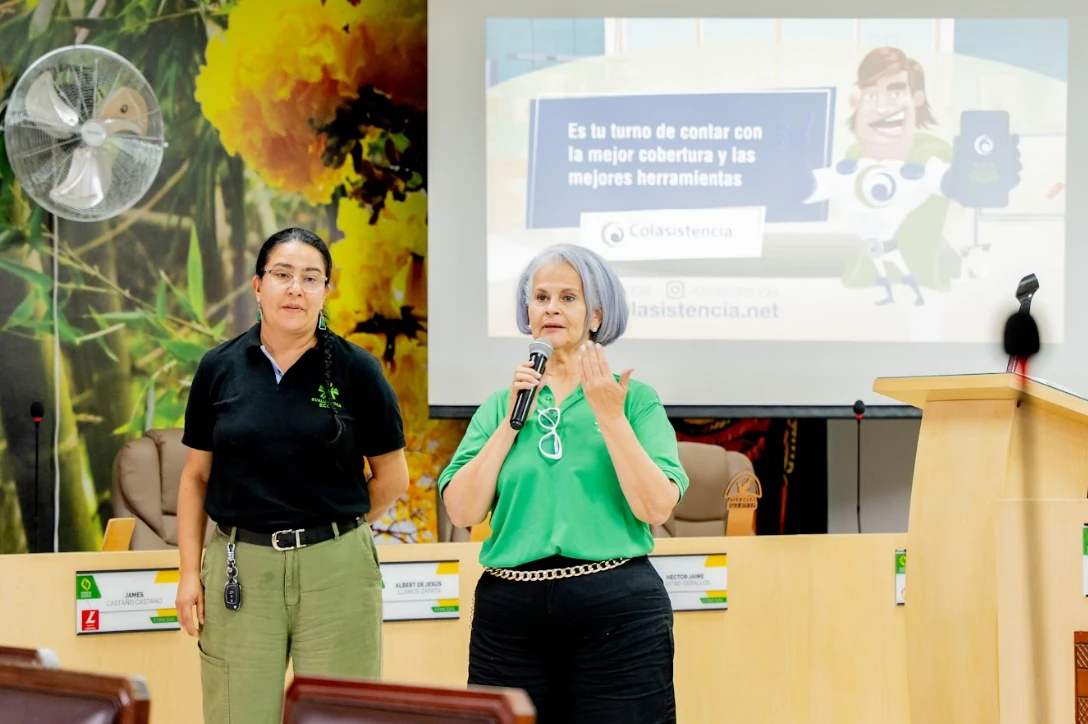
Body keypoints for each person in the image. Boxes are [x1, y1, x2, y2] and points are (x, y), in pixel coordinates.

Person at [438, 243, 689, 724]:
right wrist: (511, 425)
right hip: (509, 616)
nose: (551, 308)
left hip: (616, 609)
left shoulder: (634, 400)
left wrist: (610, 417)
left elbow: (656, 508)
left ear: (595, 315)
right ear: (527, 311)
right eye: (541, 297)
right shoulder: (498, 405)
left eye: (568, 298)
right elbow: (463, 512)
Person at [174, 228, 409, 724]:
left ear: (327, 290)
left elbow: (392, 478)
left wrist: (334, 523)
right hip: (241, 567)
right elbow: (196, 478)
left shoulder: (358, 371)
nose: (295, 289)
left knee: (343, 714)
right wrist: (187, 575)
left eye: (310, 278)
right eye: (282, 275)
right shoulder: (219, 368)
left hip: (337, 570)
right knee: (237, 714)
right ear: (258, 286)